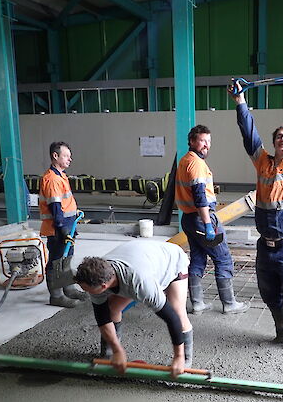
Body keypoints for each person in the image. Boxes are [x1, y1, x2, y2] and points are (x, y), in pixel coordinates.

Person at [228, 60, 283, 352]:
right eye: (279, 137)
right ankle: (282, 334)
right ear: (274, 142)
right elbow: (248, 133)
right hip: (265, 246)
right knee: (269, 294)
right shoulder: (262, 162)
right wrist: (240, 101)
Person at [74, 240, 193, 378]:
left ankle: (183, 360)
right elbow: (102, 317)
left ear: (103, 286)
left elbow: (171, 318)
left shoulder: (141, 283)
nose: (84, 291)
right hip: (142, 258)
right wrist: (117, 350)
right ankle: (109, 354)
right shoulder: (98, 274)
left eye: (86, 289)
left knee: (178, 312)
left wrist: (178, 356)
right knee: (112, 308)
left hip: (171, 263)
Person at [174, 124, 249, 315]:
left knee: (198, 259)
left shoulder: (184, 161)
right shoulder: (197, 164)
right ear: (192, 141)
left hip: (188, 220)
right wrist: (208, 225)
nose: (206, 145)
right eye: (202, 141)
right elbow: (200, 197)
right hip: (201, 219)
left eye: (209, 141)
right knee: (223, 259)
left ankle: (197, 303)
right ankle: (229, 304)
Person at [39, 141, 85, 308]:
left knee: (66, 259)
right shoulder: (52, 180)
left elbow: (65, 204)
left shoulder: (61, 176)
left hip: (68, 225)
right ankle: (56, 296)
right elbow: (55, 208)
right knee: (56, 261)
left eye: (70, 156)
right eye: (66, 156)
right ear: (55, 156)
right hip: (58, 228)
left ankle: (69, 289)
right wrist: (63, 230)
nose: (69, 159)